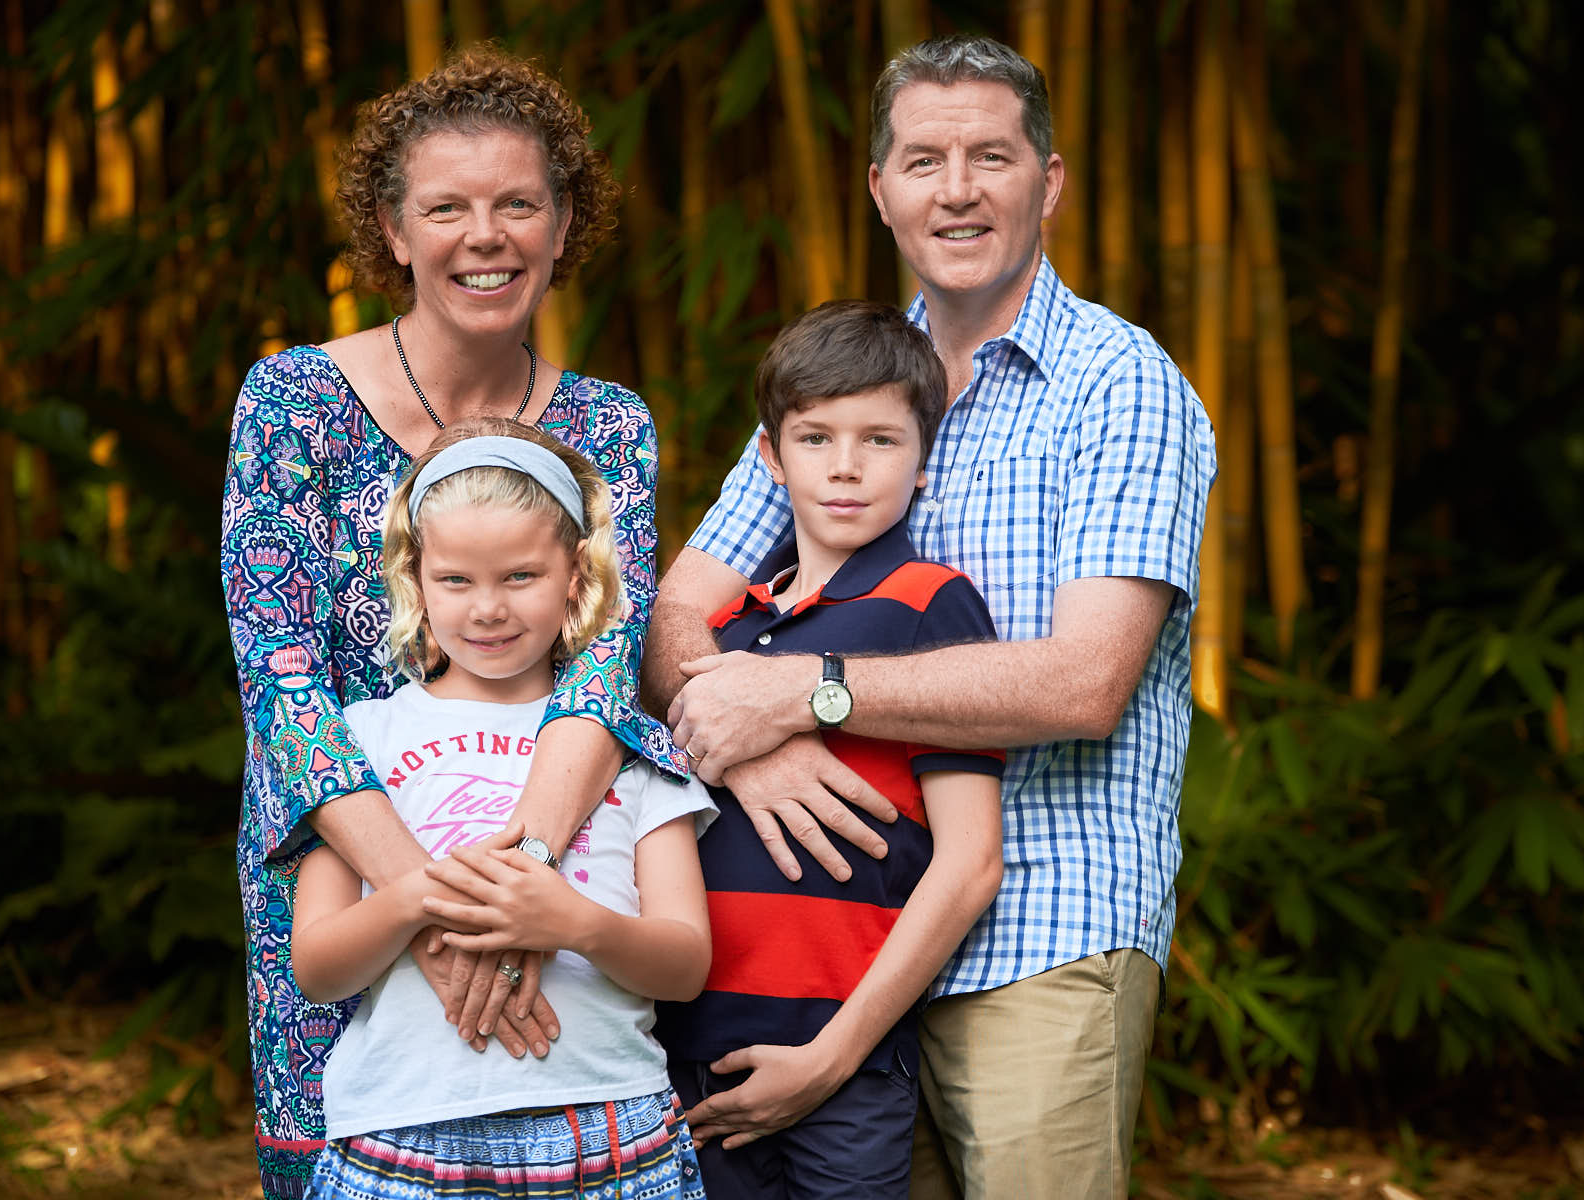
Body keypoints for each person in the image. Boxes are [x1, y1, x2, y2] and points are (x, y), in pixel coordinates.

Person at [649, 34, 1217, 1200]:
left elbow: (1082, 684)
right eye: (923, 159)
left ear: (1048, 181)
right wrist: (750, 751)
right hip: (824, 956)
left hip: (1042, 935)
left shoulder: (1123, 385)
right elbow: (671, 618)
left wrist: (809, 692)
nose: (956, 189)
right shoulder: (845, 393)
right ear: (881, 189)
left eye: (990, 157)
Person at [220, 46, 689, 1198]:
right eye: (447, 208)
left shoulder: (609, 426)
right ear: (394, 229)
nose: (485, 235)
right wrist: (423, 912)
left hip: (559, 892)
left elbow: (604, 665)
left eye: (518, 203)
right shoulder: (291, 402)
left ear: (563, 221)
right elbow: (282, 684)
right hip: (340, 880)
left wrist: (517, 895)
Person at [292, 420, 713, 1200]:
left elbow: (687, 964)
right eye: (456, 580)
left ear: (576, 578)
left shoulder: (634, 747)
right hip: (399, 1137)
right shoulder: (362, 742)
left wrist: (574, 924)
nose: (486, 609)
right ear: (415, 580)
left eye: (520, 576)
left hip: (610, 1137)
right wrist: (415, 896)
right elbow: (316, 968)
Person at [652, 301, 1005, 1198]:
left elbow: (970, 864)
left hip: (841, 1056)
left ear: (925, 461)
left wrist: (837, 1051)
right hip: (685, 1055)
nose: (845, 467)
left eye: (881, 440)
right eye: (815, 438)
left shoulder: (931, 604)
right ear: (770, 457)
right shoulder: (720, 635)